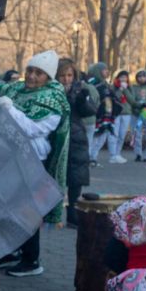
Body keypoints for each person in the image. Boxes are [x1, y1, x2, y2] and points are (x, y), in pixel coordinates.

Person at [0, 50, 70, 277]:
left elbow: (31, 129)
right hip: (12, 160)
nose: (32, 76)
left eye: (39, 73)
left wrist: (9, 108)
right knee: (7, 207)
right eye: (30, 70)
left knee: (27, 211)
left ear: (48, 77)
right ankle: (12, 250)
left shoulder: (53, 100)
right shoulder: (17, 90)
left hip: (34, 162)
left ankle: (31, 259)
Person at [58, 59, 96, 225]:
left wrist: (81, 100)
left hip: (76, 138)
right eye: (62, 75)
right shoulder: (51, 90)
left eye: (69, 75)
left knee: (75, 180)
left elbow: (90, 111)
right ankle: (51, 213)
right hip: (57, 136)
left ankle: (73, 215)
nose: (66, 79)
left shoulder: (80, 88)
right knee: (55, 178)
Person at [85, 62, 113, 164]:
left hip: (106, 114)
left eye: (107, 70)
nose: (107, 72)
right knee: (94, 137)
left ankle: (94, 157)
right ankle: (89, 158)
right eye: (104, 70)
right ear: (98, 71)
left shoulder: (105, 83)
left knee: (102, 136)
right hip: (98, 114)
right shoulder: (93, 83)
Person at [109, 69, 133, 164]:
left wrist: (126, 89)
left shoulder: (130, 87)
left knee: (122, 135)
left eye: (125, 77)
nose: (123, 79)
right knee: (114, 133)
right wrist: (121, 89)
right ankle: (112, 155)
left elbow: (131, 99)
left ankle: (118, 153)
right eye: (121, 77)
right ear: (118, 78)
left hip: (126, 113)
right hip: (116, 113)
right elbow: (115, 97)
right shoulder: (113, 87)